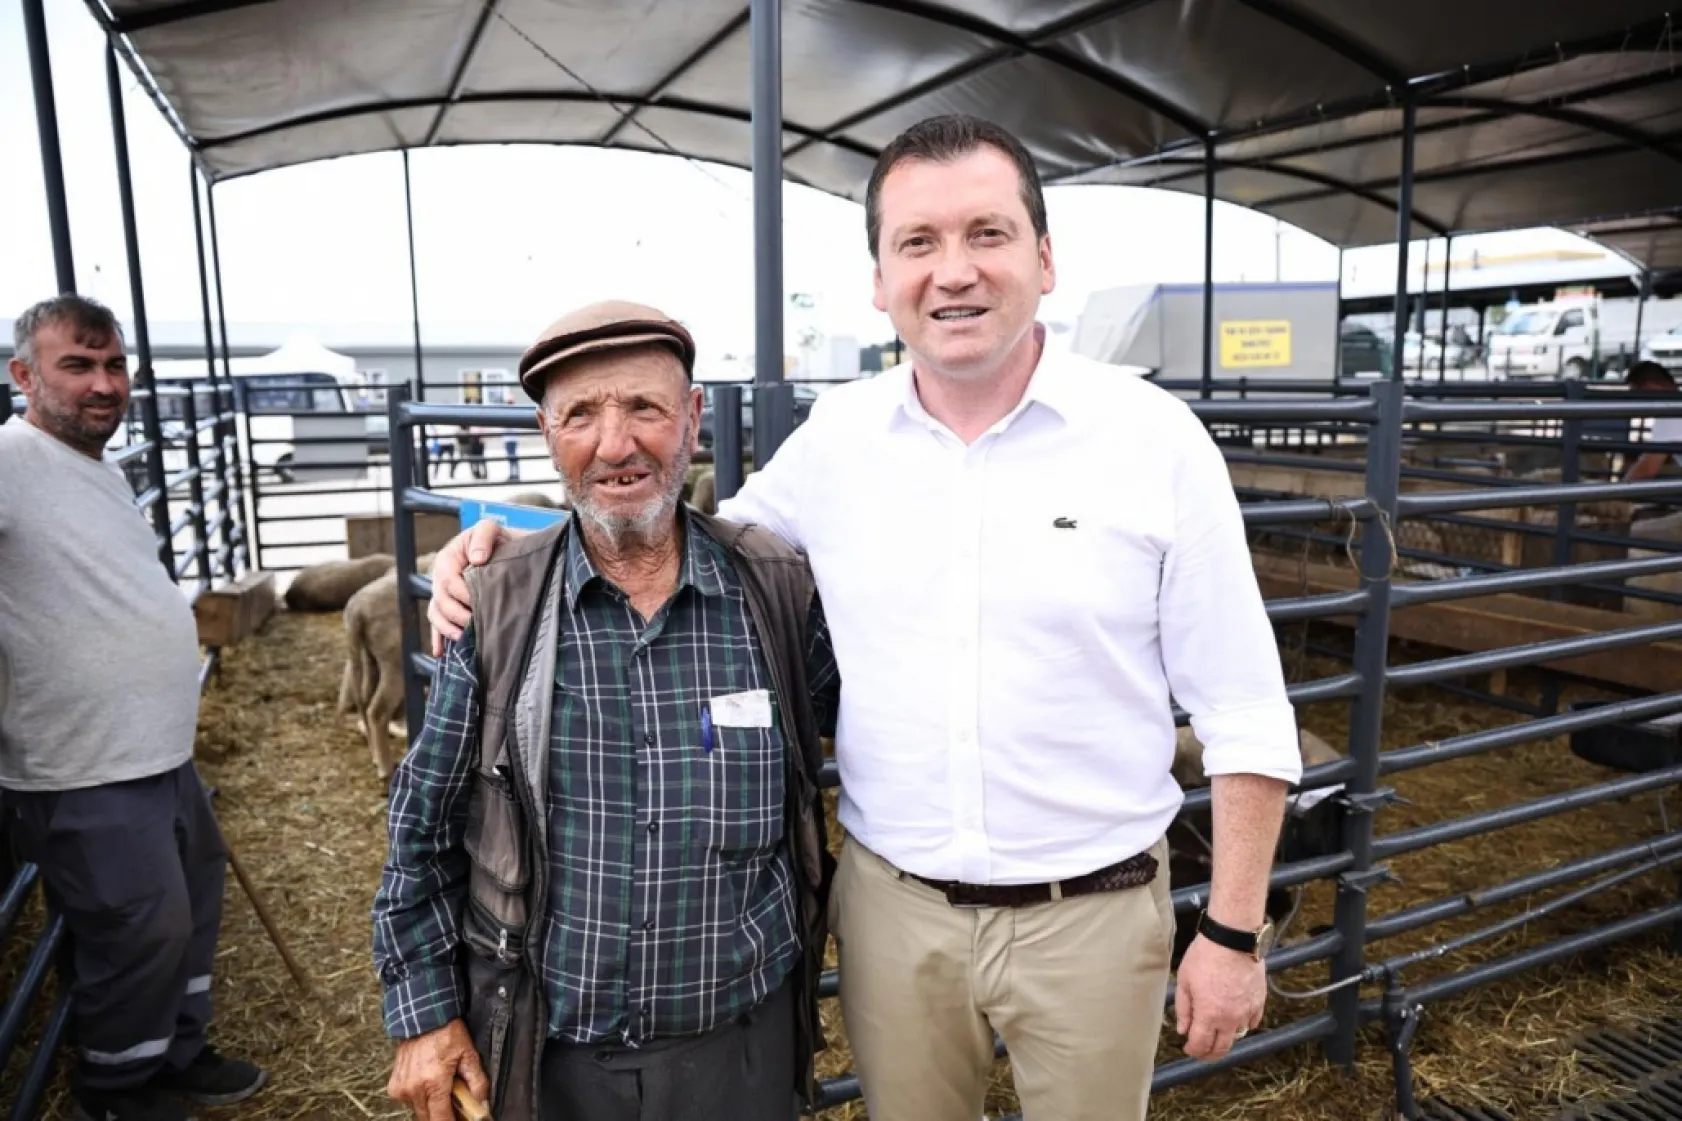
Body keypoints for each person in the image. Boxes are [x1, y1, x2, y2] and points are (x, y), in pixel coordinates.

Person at [427, 115, 1301, 1121]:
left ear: (1045, 258)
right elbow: (677, 542)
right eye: (917, 242)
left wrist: (1231, 933)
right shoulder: (837, 440)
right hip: (894, 914)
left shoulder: (1153, 440)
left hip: (1093, 916)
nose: (953, 271)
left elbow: (1242, 704)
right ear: (880, 281)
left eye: (987, 233)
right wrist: (512, 548)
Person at [372, 299, 841, 1121]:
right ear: (546, 434)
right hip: (551, 1058)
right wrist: (425, 1015)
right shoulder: (498, 604)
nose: (616, 444)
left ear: (692, 416)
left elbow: (887, 732)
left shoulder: (776, 588)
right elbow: (422, 827)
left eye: (645, 407)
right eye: (581, 414)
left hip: (740, 1051)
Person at [1, 296, 266, 1121]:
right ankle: (118, 1090)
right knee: (138, 929)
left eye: (115, 365)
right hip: (82, 763)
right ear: (23, 375)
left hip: (156, 750)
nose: (104, 384)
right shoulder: (9, 460)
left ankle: (179, 1050)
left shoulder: (98, 466)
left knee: (186, 910)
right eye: (77, 365)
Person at [1622, 361, 1681, 482]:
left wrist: (1618, 489)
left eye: (1635, 394)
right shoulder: (1675, 405)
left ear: (1648, 386)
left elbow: (1647, 469)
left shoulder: (1671, 412)